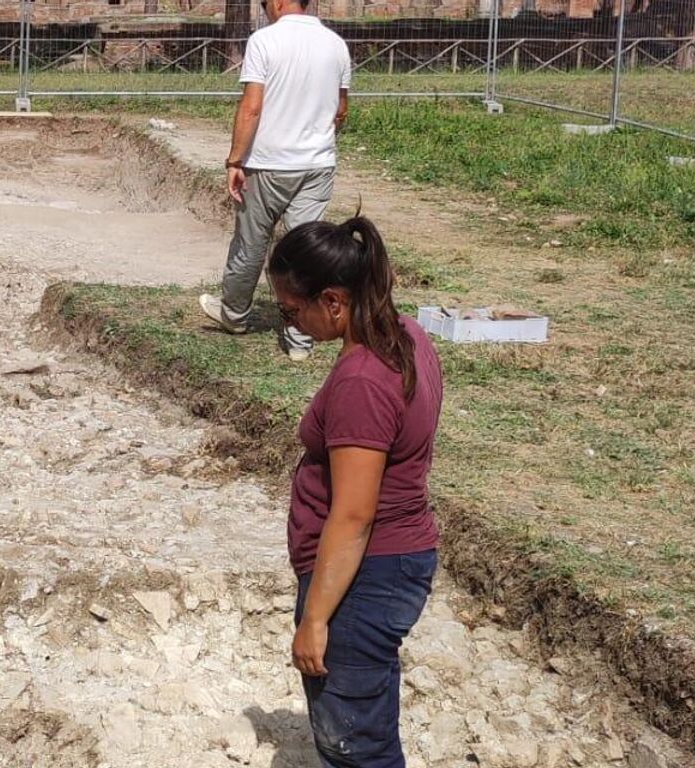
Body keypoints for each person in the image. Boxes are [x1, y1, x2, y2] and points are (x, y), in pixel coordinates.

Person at [271, 217, 441, 768]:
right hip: (391, 566)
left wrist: (316, 618)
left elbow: (353, 515)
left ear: (334, 299)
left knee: (356, 748)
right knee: (365, 723)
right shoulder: (407, 333)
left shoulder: (362, 382)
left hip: (364, 577)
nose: (291, 322)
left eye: (293, 311)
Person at [198, 0, 350, 362]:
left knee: (251, 241)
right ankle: (300, 339)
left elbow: (251, 107)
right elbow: (341, 110)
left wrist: (235, 159)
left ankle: (234, 314)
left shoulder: (264, 41)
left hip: (266, 163)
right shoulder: (335, 43)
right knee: (305, 251)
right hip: (316, 164)